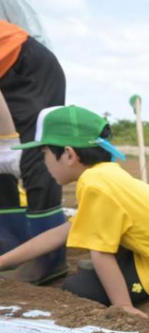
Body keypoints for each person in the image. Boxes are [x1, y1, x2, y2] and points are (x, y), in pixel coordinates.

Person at [0, 106, 149, 318]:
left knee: (77, 288)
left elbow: (100, 253)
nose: (44, 162)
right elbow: (62, 233)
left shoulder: (94, 185)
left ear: (69, 155)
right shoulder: (105, 174)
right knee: (96, 256)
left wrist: (123, 307)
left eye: (44, 153)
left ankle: (128, 287)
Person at [0, 19, 66, 284]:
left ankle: (48, 260)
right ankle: (9, 246)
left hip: (26, 68)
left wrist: (6, 142)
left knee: (34, 156)